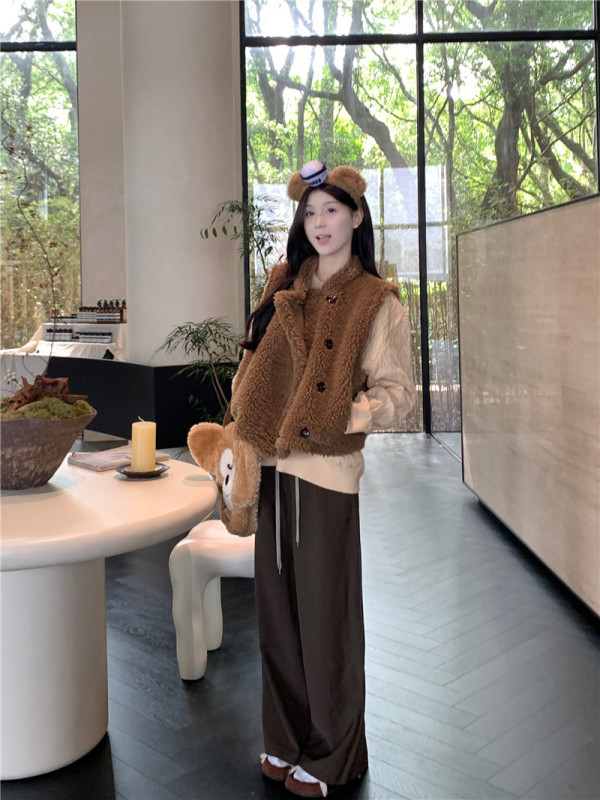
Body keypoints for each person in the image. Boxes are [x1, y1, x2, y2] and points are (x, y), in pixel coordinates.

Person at [230, 160, 416, 798]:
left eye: (332, 210)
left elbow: (398, 395)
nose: (320, 223)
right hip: (271, 466)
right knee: (277, 618)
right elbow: (252, 366)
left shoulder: (377, 300)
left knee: (325, 618)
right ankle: (285, 739)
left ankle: (335, 755)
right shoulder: (283, 284)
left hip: (327, 473)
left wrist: (342, 413)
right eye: (310, 213)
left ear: (357, 215)